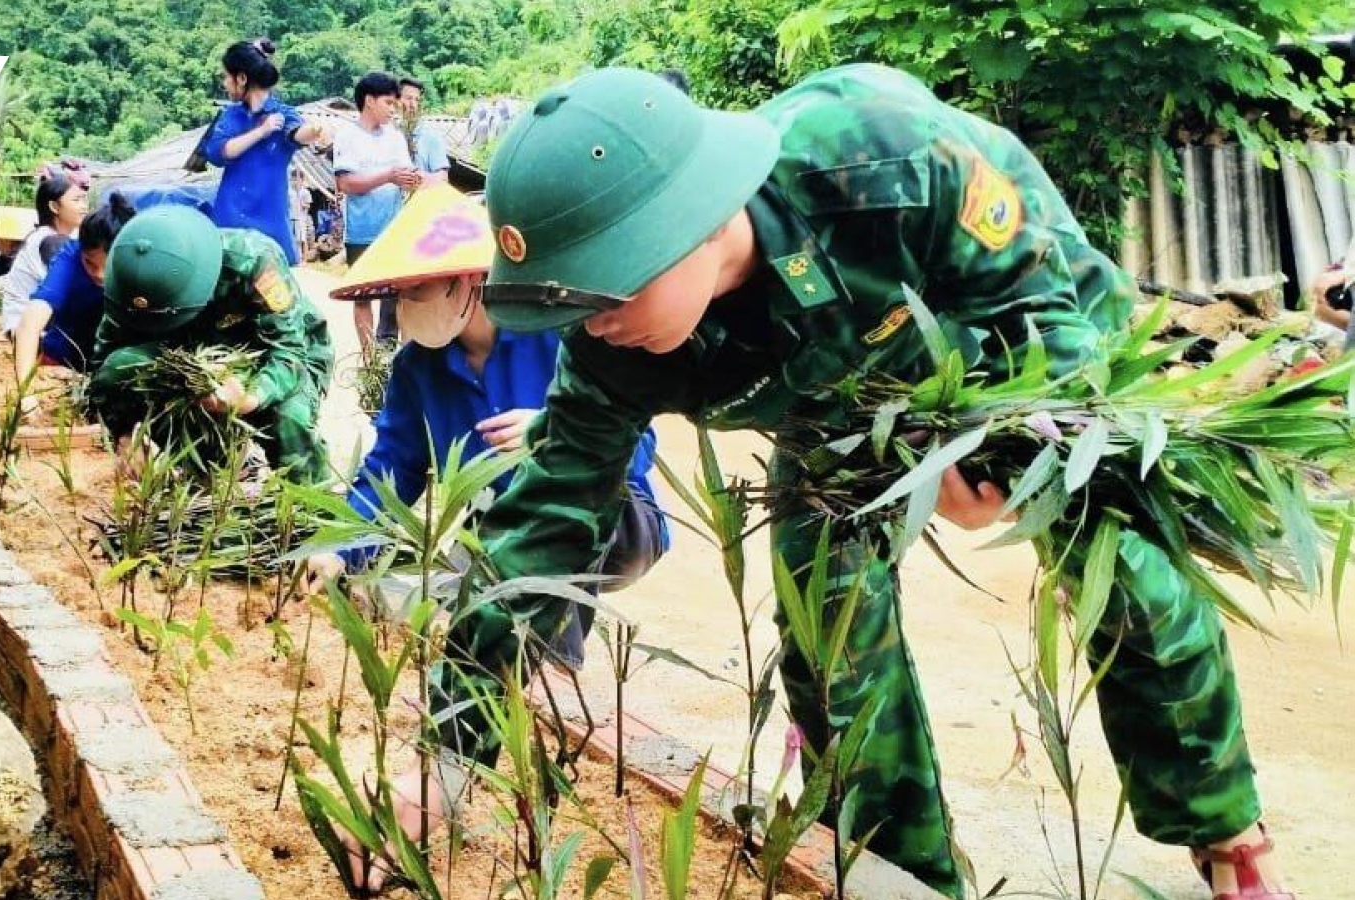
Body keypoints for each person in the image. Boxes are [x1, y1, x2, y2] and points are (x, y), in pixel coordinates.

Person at [351, 66, 1296, 900]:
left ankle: (1225, 834)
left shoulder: (881, 158)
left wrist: (1023, 456)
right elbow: (544, 520)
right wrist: (452, 749)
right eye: (571, 303)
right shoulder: (612, 348)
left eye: (604, 294)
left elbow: (1045, 309)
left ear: (689, 223)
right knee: (828, 624)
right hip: (832, 405)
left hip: (1006, 340)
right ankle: (898, 869)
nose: (589, 329)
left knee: (1121, 556)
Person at [302, 185, 669, 666]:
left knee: (546, 534)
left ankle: (552, 669)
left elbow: (637, 444)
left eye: (420, 290)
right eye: (401, 295)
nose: (407, 306)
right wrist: (341, 547)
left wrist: (560, 431)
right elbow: (394, 466)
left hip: (614, 518)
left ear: (470, 278)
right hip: (498, 525)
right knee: (466, 617)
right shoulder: (418, 368)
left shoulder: (559, 337)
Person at [88, 205, 332, 483]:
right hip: (188, 353)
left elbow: (289, 351)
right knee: (127, 368)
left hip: (273, 350)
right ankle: (214, 477)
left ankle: (313, 508)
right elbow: (105, 369)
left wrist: (250, 399)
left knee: (290, 421)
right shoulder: (129, 282)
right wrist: (126, 433)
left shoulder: (251, 260)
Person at [204, 38, 329, 265]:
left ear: (241, 78)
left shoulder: (285, 113)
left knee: (272, 298)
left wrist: (317, 130)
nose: (224, 83)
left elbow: (296, 133)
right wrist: (261, 132)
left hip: (271, 225)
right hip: (229, 221)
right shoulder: (230, 115)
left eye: (226, 76)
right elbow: (218, 152)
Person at [11, 194, 137, 415]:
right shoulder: (69, 257)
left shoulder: (144, 265)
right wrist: (27, 396)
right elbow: (30, 325)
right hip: (59, 365)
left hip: (111, 369)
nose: (99, 275)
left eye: (109, 266)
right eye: (89, 263)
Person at [334, 72, 421, 353]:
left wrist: (412, 180)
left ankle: (401, 357)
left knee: (399, 296)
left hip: (394, 228)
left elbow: (406, 176)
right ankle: (369, 360)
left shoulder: (395, 137)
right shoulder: (347, 136)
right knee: (363, 297)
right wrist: (387, 177)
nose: (392, 109)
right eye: (388, 102)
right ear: (369, 101)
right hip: (361, 229)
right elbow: (346, 183)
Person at [1, 161, 90, 335]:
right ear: (54, 207)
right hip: (30, 329)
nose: (84, 206)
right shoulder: (50, 241)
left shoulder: (47, 236)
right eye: (76, 200)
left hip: (24, 324)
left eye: (84, 199)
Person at [397, 77, 451, 186]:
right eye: (408, 98)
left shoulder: (430, 135)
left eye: (416, 99)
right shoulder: (389, 133)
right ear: (397, 100)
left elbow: (443, 177)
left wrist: (420, 177)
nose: (413, 105)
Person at [291, 169, 315, 262]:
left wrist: (302, 204)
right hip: (292, 217)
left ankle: (305, 259)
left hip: (301, 218)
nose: (295, 182)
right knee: (294, 239)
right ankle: (297, 258)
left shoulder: (305, 192)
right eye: (293, 180)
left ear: (301, 180)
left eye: (296, 179)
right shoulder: (290, 192)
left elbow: (308, 206)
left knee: (302, 239)